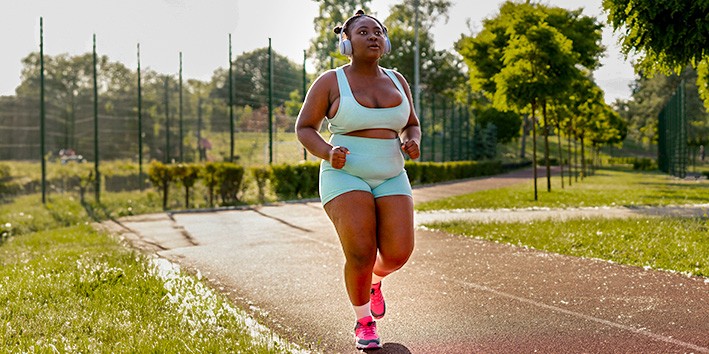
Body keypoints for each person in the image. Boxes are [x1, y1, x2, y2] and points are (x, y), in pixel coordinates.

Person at [295, 9, 421, 350]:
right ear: (346, 43)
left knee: (397, 254)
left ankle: (375, 282)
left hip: (392, 173)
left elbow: (411, 121)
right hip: (345, 174)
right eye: (364, 32)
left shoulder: (397, 80)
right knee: (362, 252)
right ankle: (364, 321)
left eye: (378, 31)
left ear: (387, 41)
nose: (373, 36)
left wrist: (414, 140)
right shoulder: (330, 81)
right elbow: (304, 127)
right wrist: (326, 151)